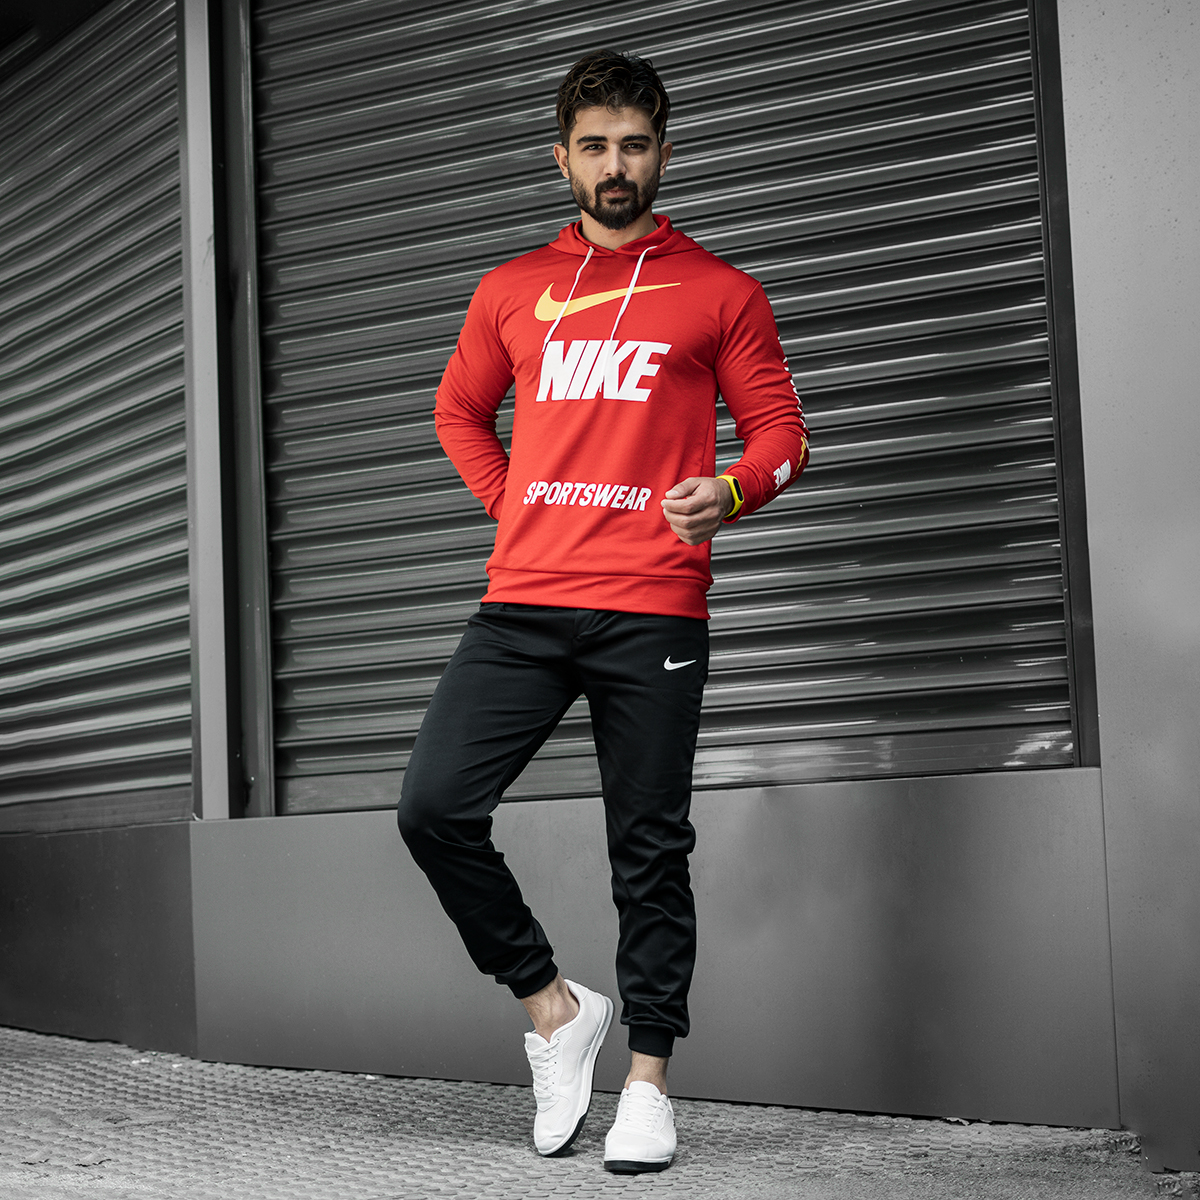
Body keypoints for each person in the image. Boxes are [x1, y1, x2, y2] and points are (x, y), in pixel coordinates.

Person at [397, 48, 809, 1174]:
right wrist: (514, 504)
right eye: (594, 147)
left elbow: (783, 435)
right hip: (524, 603)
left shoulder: (722, 293)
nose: (614, 165)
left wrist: (731, 492)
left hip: (653, 608)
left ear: (663, 153)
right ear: (562, 158)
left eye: (634, 145)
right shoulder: (510, 289)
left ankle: (648, 1083)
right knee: (433, 809)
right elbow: (457, 411)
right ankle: (554, 1008)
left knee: (649, 847)